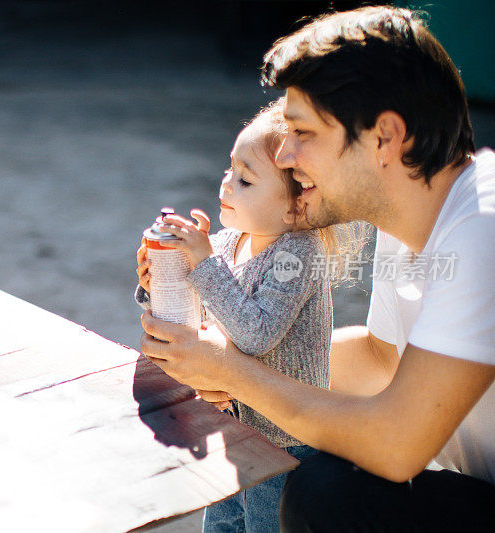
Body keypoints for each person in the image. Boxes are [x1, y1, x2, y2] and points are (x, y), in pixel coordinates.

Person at [138, 5, 495, 531]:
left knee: (325, 494)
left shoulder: (482, 228)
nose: (284, 153)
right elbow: (381, 357)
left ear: (385, 138)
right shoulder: (415, 227)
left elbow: (395, 445)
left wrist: (236, 372)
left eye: (303, 132)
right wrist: (224, 357)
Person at [136, 100, 358, 533]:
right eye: (229, 168)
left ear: (295, 206)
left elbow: (256, 334)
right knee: (219, 527)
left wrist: (202, 264)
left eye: (245, 179)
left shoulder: (298, 253)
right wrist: (158, 278)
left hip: (285, 442)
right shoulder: (228, 242)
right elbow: (198, 315)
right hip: (234, 429)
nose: (226, 184)